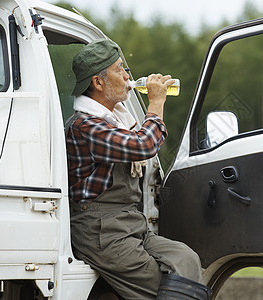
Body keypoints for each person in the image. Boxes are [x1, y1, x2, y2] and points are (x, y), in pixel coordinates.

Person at [65, 39, 211, 299]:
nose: (127, 76)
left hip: (130, 225)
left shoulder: (117, 120)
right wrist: (156, 103)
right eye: (119, 70)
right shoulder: (84, 125)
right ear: (98, 83)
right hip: (101, 231)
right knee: (162, 288)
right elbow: (143, 146)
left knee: (187, 259)